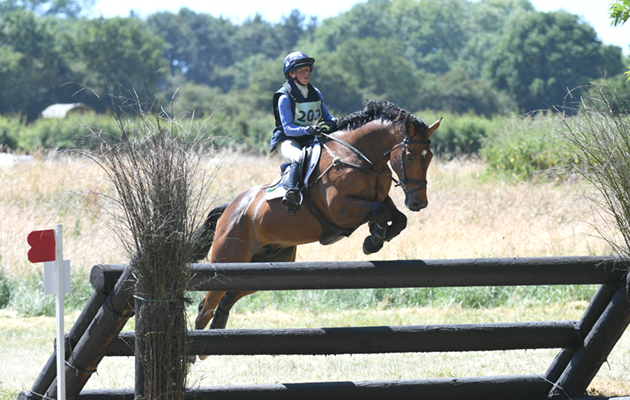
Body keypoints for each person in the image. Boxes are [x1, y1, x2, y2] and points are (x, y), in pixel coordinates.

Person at [270, 51, 337, 215]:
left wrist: (339, 122)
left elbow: (328, 117)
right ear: (291, 74)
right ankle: (291, 193)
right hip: (287, 140)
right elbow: (288, 128)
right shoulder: (284, 97)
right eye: (301, 71)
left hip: (310, 138)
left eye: (307, 70)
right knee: (299, 157)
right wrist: (309, 129)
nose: (306, 74)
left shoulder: (316, 93)